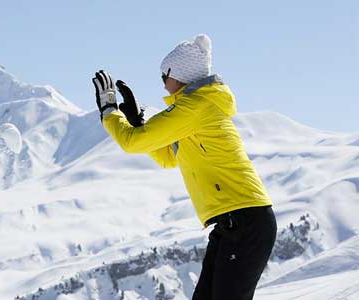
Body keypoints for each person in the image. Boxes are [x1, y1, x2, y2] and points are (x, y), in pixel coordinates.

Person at [92, 34, 276, 300]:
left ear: (179, 75)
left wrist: (109, 110)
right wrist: (138, 122)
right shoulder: (195, 110)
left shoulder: (195, 107)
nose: (164, 85)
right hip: (232, 224)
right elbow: (169, 156)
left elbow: (132, 143)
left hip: (247, 222)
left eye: (164, 77)